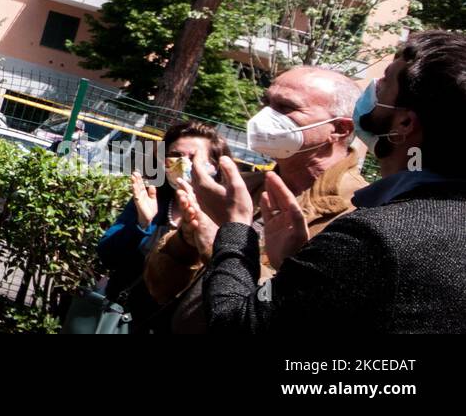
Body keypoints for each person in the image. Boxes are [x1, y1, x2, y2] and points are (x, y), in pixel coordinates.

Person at [177, 30, 466, 333]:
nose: (371, 87)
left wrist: (234, 228)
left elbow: (235, 326)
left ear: (405, 122)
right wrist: (294, 268)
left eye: (385, 81)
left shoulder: (367, 236)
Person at [144, 67, 364, 332]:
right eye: (266, 103)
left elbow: (303, 310)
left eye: (285, 108)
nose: (264, 117)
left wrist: (222, 245)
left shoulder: (359, 210)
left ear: (339, 129)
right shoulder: (237, 187)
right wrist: (185, 241)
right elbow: (159, 288)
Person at [96, 120, 229, 331]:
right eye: (175, 156)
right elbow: (107, 255)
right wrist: (141, 223)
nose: (182, 163)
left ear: (214, 165)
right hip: (126, 318)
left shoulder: (223, 213)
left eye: (193, 157)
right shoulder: (151, 198)